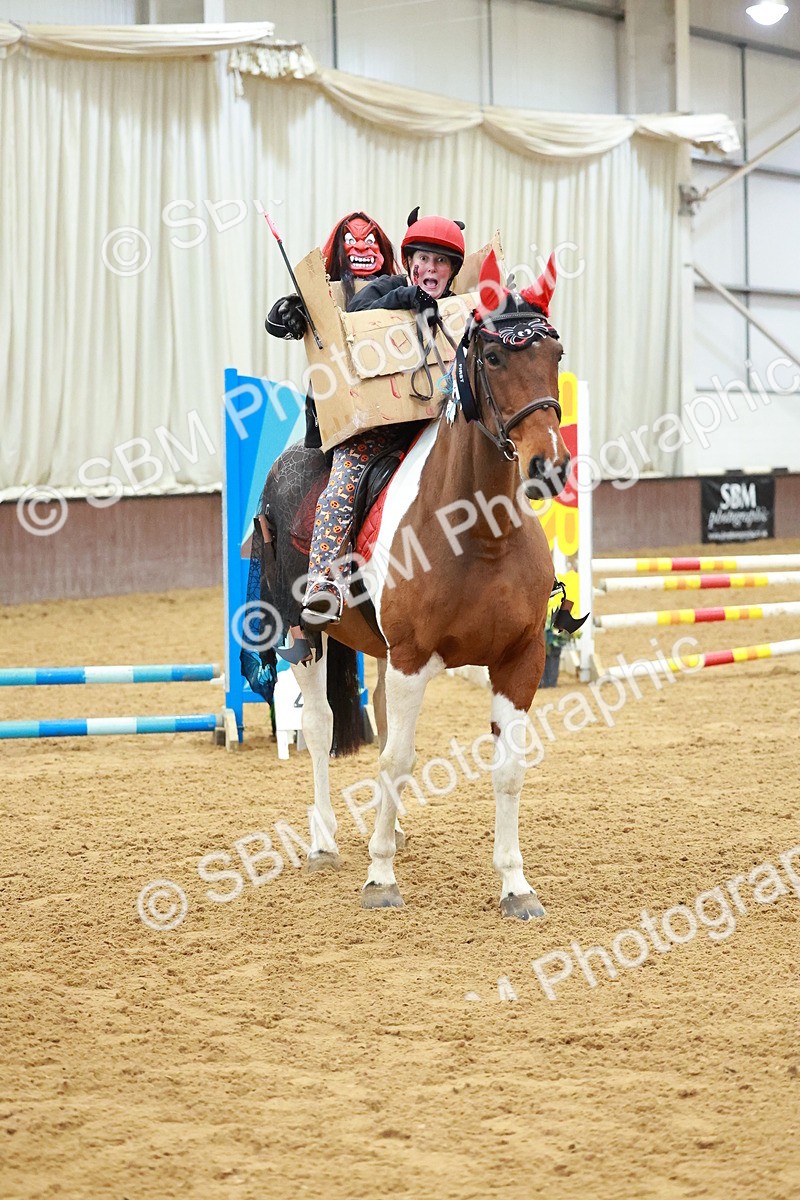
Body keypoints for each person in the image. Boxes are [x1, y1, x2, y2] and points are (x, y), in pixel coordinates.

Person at [301, 208, 466, 628]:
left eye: (441, 261)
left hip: (437, 427)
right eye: (424, 259)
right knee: (342, 483)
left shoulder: (458, 308)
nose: (431, 268)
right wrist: (405, 300)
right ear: (410, 263)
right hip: (379, 429)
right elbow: (356, 313)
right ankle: (324, 580)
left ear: (452, 271)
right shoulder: (385, 287)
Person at [265, 212, 398, 448]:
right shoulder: (325, 296)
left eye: (369, 241)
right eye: (351, 240)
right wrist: (292, 309)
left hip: (396, 411)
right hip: (338, 416)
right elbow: (274, 324)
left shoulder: (398, 288)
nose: (360, 247)